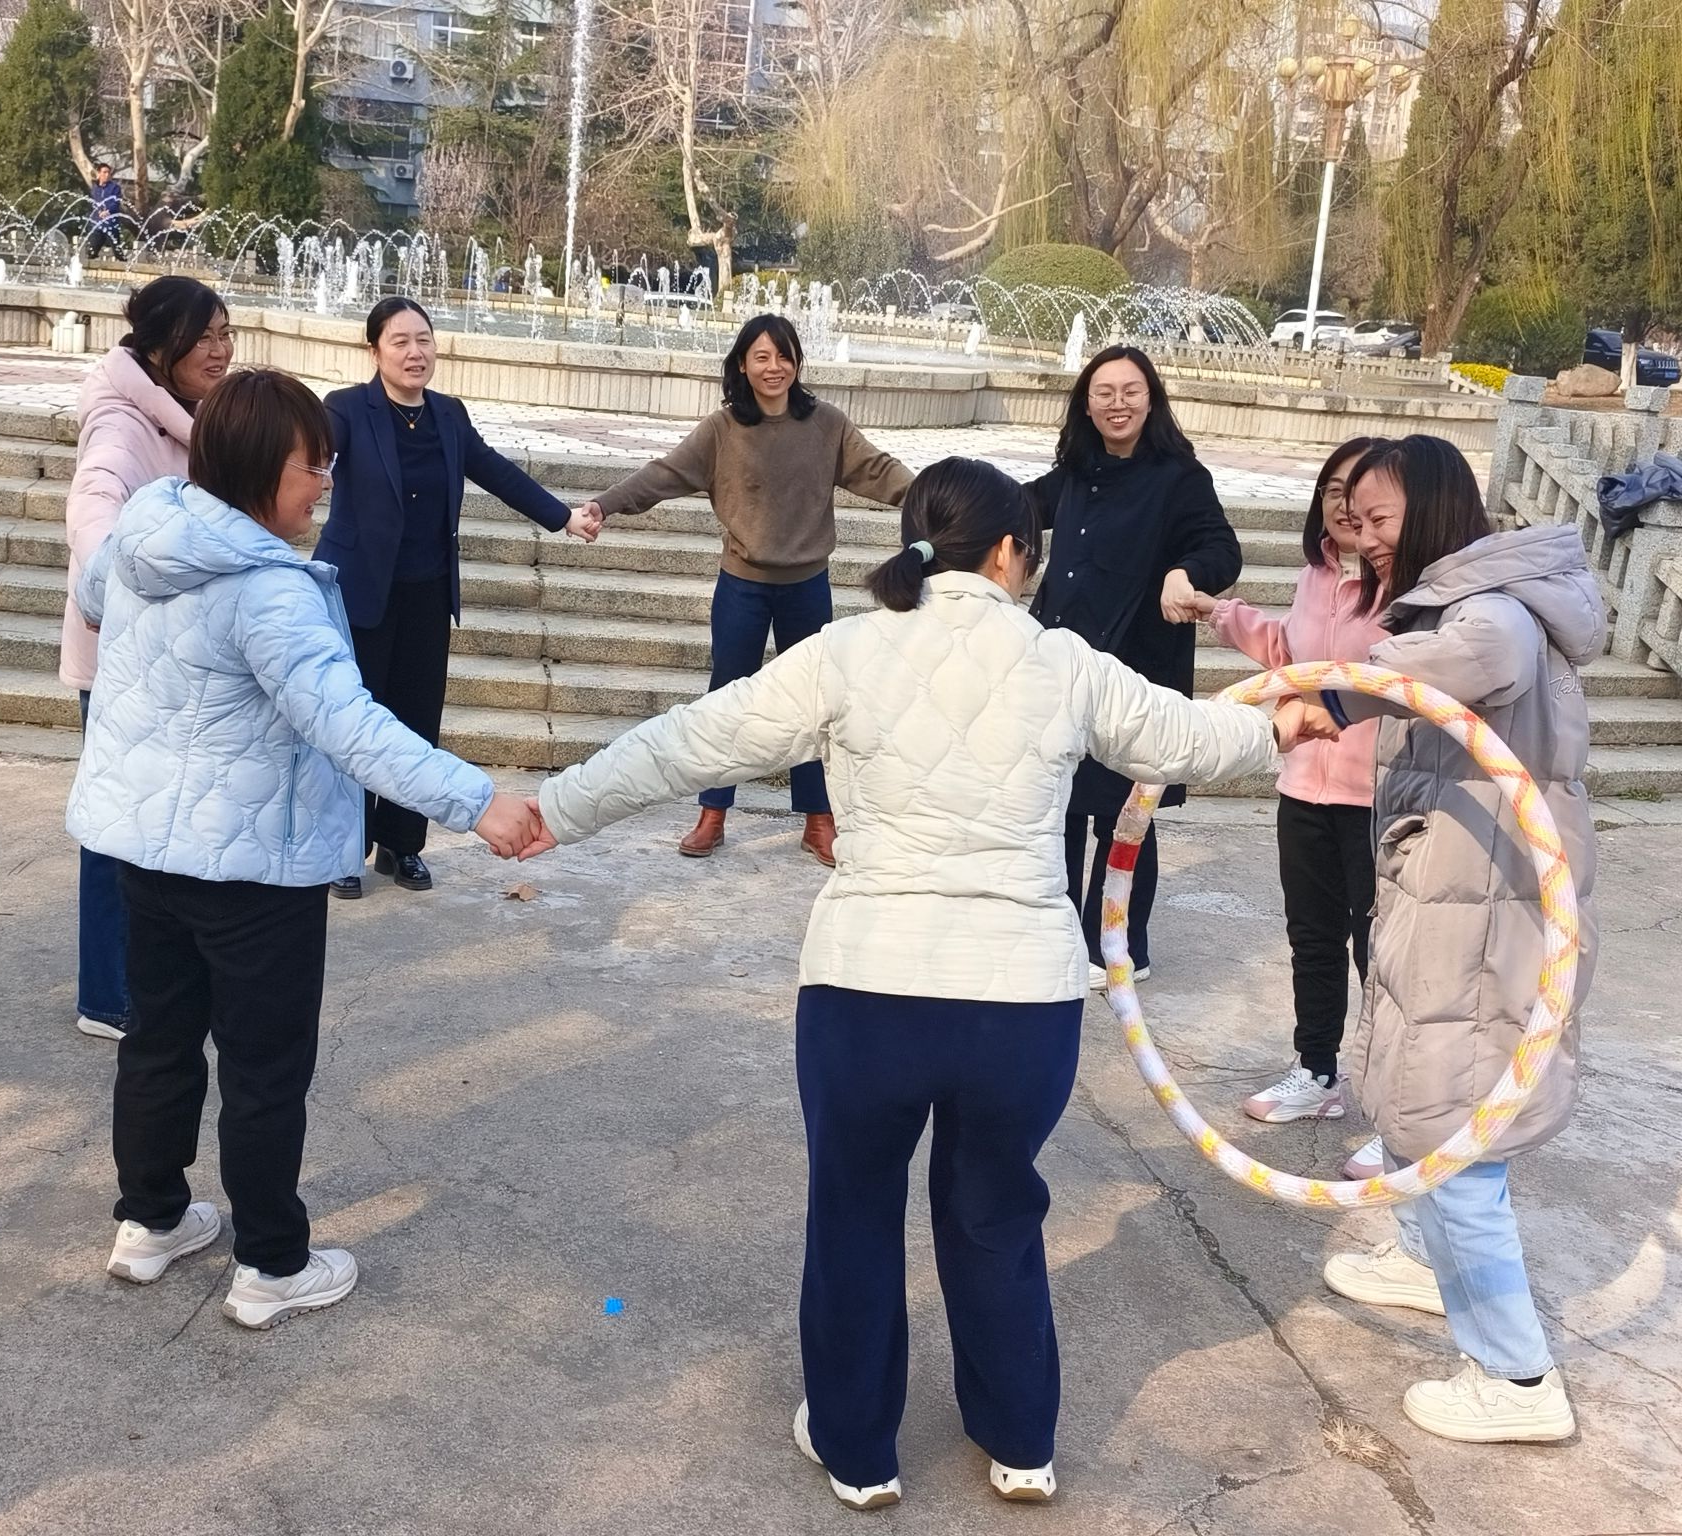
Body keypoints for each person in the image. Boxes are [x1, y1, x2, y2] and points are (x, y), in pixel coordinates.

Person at [523, 458, 1295, 1510]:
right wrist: (1291, 721)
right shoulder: (1061, 659)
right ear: (1013, 552)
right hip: (1020, 1007)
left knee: (853, 1212)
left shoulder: (846, 651)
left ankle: (857, 1451)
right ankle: (1020, 1441)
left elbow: (688, 741)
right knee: (995, 1214)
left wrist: (554, 810)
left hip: (866, 992)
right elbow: (1194, 739)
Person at [67, 369, 539, 1330]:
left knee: (158, 1042)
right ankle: (272, 1264)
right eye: (310, 466)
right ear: (253, 467)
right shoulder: (268, 592)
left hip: (146, 853)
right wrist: (478, 803)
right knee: (264, 1069)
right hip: (250, 873)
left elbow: (91, 591)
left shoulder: (149, 528)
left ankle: (151, 1221)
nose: (325, 481)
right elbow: (351, 726)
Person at [1304, 435, 1600, 1442]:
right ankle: (1424, 1262)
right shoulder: (1465, 602)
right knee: (1416, 1088)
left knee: (1456, 1125)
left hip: (1488, 907)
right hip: (1449, 892)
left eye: (1380, 520)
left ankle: (1516, 1379)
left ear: (1432, 510)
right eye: (1355, 521)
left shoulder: (1491, 613)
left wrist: (1331, 694)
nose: (1365, 539)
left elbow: (1478, 659)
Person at [577, 313, 913, 866]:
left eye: (784, 355)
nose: (774, 367)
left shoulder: (827, 424)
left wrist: (939, 497)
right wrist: (605, 504)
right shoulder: (722, 430)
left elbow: (879, 471)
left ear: (797, 362)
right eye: (761, 356)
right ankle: (712, 813)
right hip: (742, 587)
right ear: (742, 364)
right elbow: (664, 473)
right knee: (725, 701)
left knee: (818, 701)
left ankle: (819, 818)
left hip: (808, 587)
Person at [317, 297, 600, 899]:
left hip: (426, 592)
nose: (415, 352)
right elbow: (312, 459)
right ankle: (344, 847)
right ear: (374, 350)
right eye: (400, 341)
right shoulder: (346, 409)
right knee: (355, 722)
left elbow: (495, 471)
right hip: (361, 594)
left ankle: (402, 845)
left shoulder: (448, 414)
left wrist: (563, 518)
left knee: (416, 720)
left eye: (424, 339)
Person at [1186, 438, 1391, 1162]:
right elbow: (1291, 655)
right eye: (1333, 491)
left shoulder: (1405, 588)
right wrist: (1219, 613)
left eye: (1360, 495)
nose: (1344, 506)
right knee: (1313, 936)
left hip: (1379, 796)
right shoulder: (1315, 574)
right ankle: (1317, 1072)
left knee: (1382, 955)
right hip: (1305, 786)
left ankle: (1396, 1112)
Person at [1028, 345, 1243, 990]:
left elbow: (1220, 547)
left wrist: (1185, 572)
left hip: (1136, 669)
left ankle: (1117, 946)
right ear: (1086, 403)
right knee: (1060, 809)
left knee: (1125, 815)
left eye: (1130, 391)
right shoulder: (1075, 471)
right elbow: (1015, 509)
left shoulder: (1179, 477)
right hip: (1063, 667)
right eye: (1104, 392)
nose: (1117, 404)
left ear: (1151, 400)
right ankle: (1056, 937)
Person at [62, 275, 236, 1042]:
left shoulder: (189, 417)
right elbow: (93, 508)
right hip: (121, 664)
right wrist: (105, 584)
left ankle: (148, 985)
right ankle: (108, 998)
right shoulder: (121, 424)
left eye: (227, 334)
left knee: (154, 827)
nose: (221, 350)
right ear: (163, 347)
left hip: (171, 659)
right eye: (205, 338)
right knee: (115, 833)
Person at [84, 163, 126, 261]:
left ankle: (125, 266)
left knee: (118, 252)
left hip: (111, 224)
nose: (107, 175)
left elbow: (116, 202)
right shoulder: (95, 188)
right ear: (99, 173)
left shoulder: (114, 188)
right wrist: (98, 212)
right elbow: (93, 203)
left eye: (108, 173)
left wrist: (108, 211)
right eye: (104, 172)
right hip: (97, 223)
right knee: (91, 251)